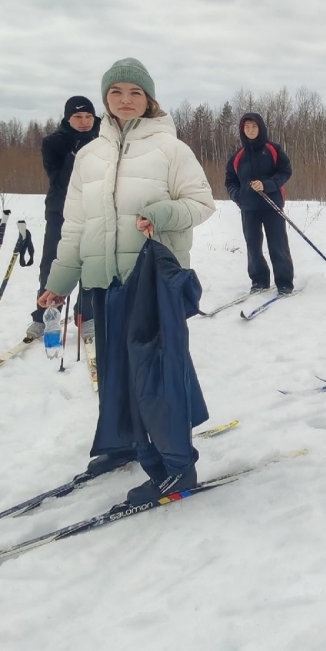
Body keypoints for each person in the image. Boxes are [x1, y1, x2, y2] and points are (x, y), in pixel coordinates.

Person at [39, 58, 216, 504]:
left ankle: (177, 466)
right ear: (105, 99)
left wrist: (161, 213)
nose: (125, 100)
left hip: (151, 278)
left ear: (149, 99)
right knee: (115, 369)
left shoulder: (171, 149)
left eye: (135, 92)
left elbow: (201, 202)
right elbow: (75, 225)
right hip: (104, 280)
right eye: (116, 92)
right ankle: (125, 444)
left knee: (157, 374)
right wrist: (60, 281)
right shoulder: (89, 156)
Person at [27, 96, 99, 341]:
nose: (84, 121)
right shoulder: (54, 142)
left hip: (95, 210)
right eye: (78, 117)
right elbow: (58, 180)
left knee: (92, 263)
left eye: (88, 116)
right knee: (53, 262)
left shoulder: (105, 140)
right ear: (68, 118)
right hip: (61, 211)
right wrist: (75, 154)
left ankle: (87, 315)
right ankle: (44, 315)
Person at [224, 112, 295, 294]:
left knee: (278, 244)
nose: (250, 130)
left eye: (254, 126)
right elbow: (230, 180)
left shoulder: (273, 149)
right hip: (249, 208)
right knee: (253, 246)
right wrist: (238, 195)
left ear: (261, 128)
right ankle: (259, 281)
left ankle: (284, 282)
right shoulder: (238, 156)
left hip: (272, 205)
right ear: (242, 130)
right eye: (247, 127)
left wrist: (267, 184)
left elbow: (285, 171)